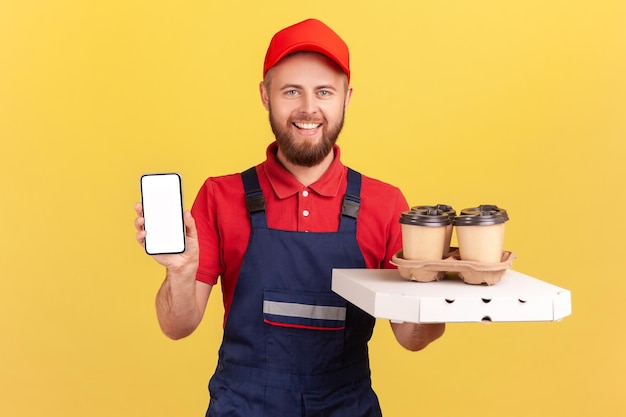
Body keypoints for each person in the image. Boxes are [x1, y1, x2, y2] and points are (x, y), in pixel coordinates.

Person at [134, 18, 445, 417]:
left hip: (346, 407)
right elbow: (177, 326)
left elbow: (410, 337)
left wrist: (439, 301)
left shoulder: (384, 203)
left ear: (347, 97)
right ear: (265, 95)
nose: (308, 108)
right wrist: (179, 271)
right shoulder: (219, 196)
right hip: (242, 406)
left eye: (324, 91)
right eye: (291, 91)